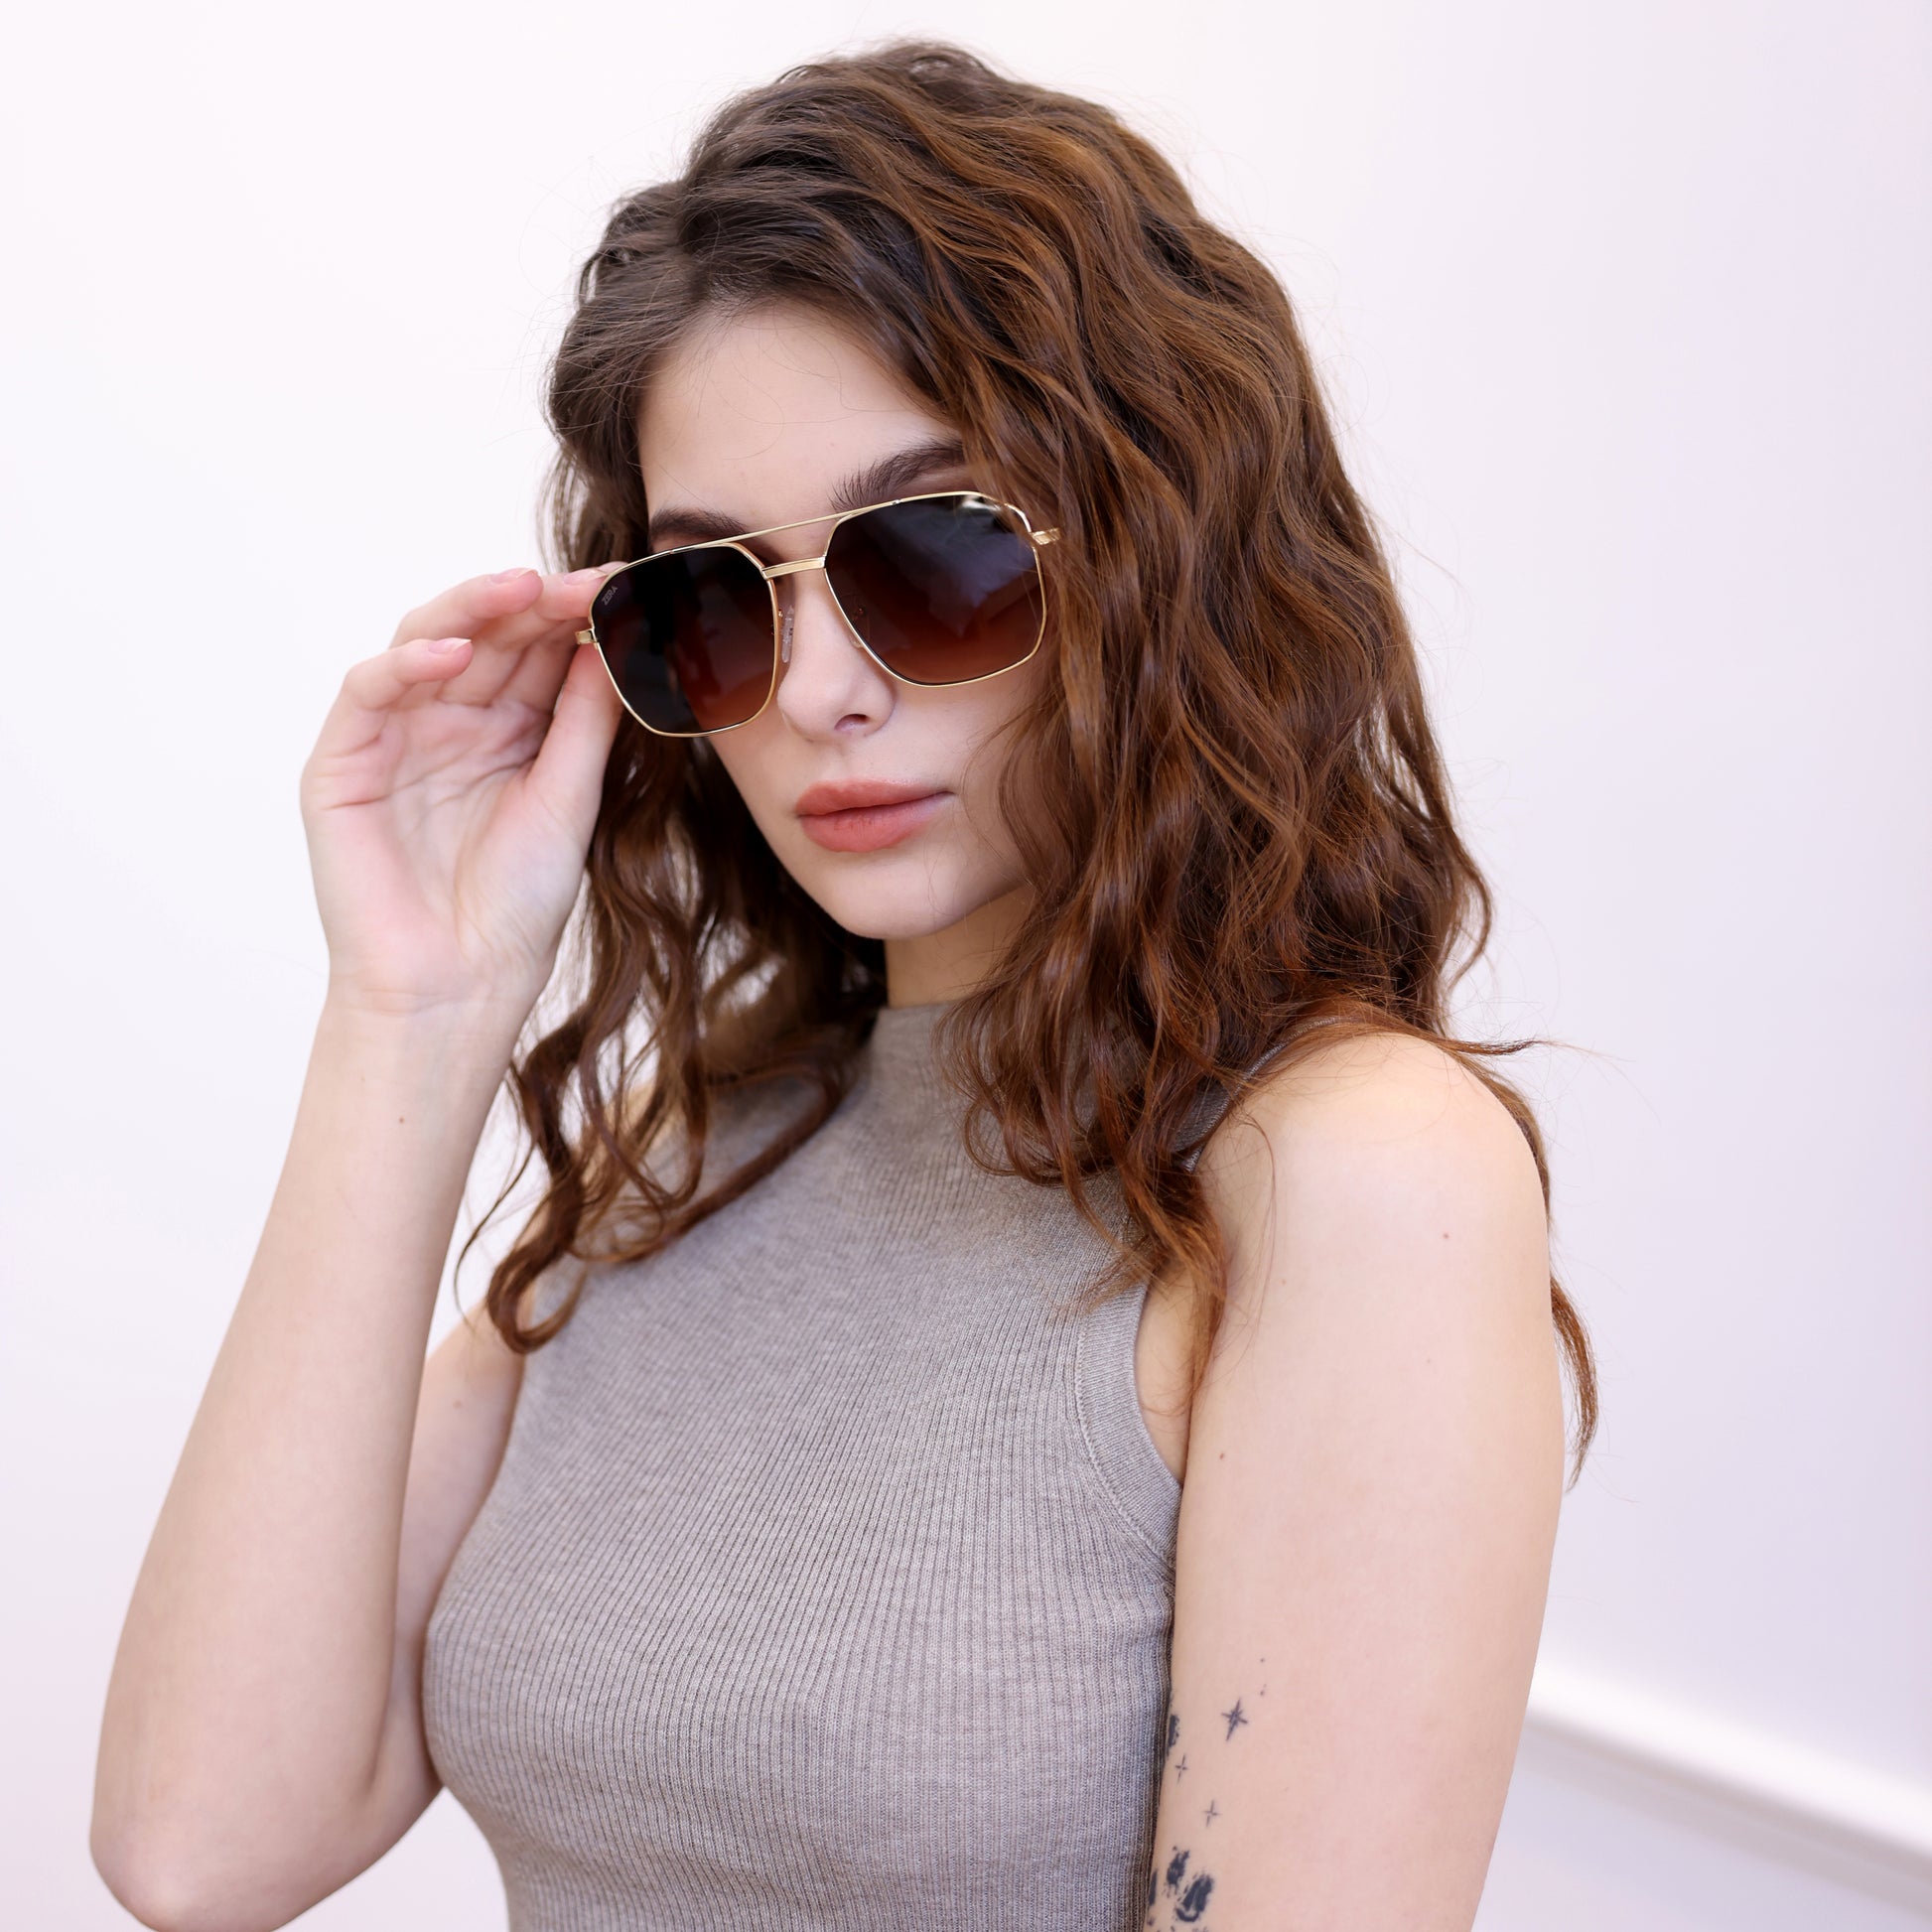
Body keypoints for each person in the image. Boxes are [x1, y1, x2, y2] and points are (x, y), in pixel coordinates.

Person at [91, 39, 1596, 1932]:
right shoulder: (718, 1142)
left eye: (933, 554)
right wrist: (412, 1012)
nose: (814, 692)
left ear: (1170, 550)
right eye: (713, 594)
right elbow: (201, 1844)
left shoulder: (1347, 1174)